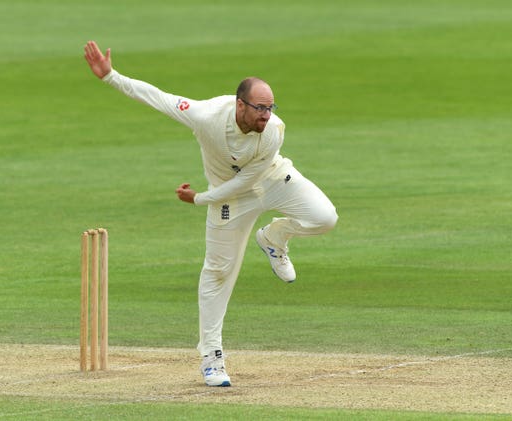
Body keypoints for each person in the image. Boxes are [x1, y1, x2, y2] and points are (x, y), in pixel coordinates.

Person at [84, 40, 338, 387]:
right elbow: (159, 97)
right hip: (229, 199)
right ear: (240, 104)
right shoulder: (206, 116)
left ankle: (274, 238)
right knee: (218, 272)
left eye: (270, 107)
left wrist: (200, 198)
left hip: (272, 179)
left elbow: (247, 179)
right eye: (260, 108)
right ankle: (211, 357)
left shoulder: (273, 131)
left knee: (325, 218)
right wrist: (110, 76)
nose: (266, 114)